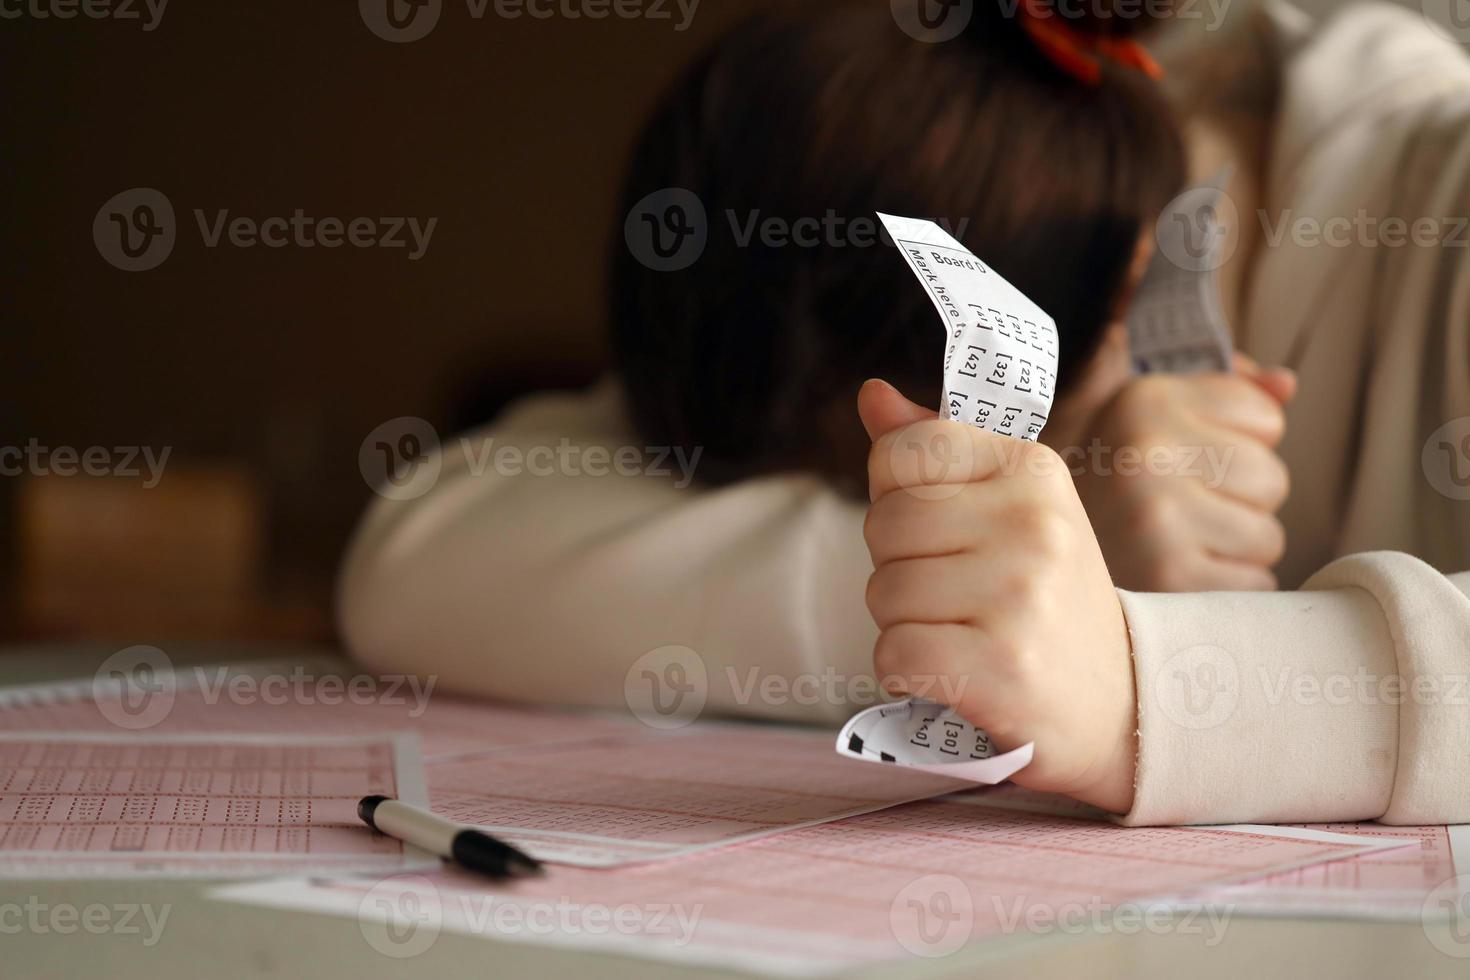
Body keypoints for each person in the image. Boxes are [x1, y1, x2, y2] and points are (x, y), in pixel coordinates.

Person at [340, 0, 1470, 825]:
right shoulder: (983, 168)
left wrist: (1142, 675)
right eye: (845, 482)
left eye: (877, 463)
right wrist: (990, 583)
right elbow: (422, 557)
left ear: (1132, 293)